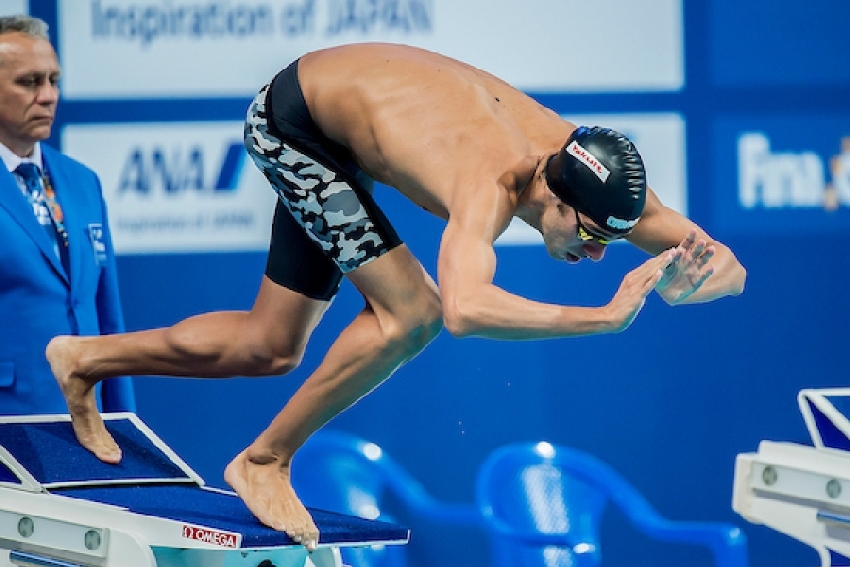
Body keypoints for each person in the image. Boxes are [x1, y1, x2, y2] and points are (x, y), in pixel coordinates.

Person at [46, 43, 745, 549]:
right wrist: (602, 318)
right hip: (295, 122)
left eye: (610, 244)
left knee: (270, 346)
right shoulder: (489, 178)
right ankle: (262, 460)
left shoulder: (600, 178)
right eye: (590, 236)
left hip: (342, 119)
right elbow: (465, 310)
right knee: (414, 313)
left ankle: (83, 358)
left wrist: (695, 285)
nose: (594, 254)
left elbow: (731, 267)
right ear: (552, 193)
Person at [0, 15, 134, 415]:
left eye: (53, 81)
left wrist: (123, 418)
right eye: (29, 82)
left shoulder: (81, 181)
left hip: (88, 422)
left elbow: (107, 314)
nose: (48, 95)